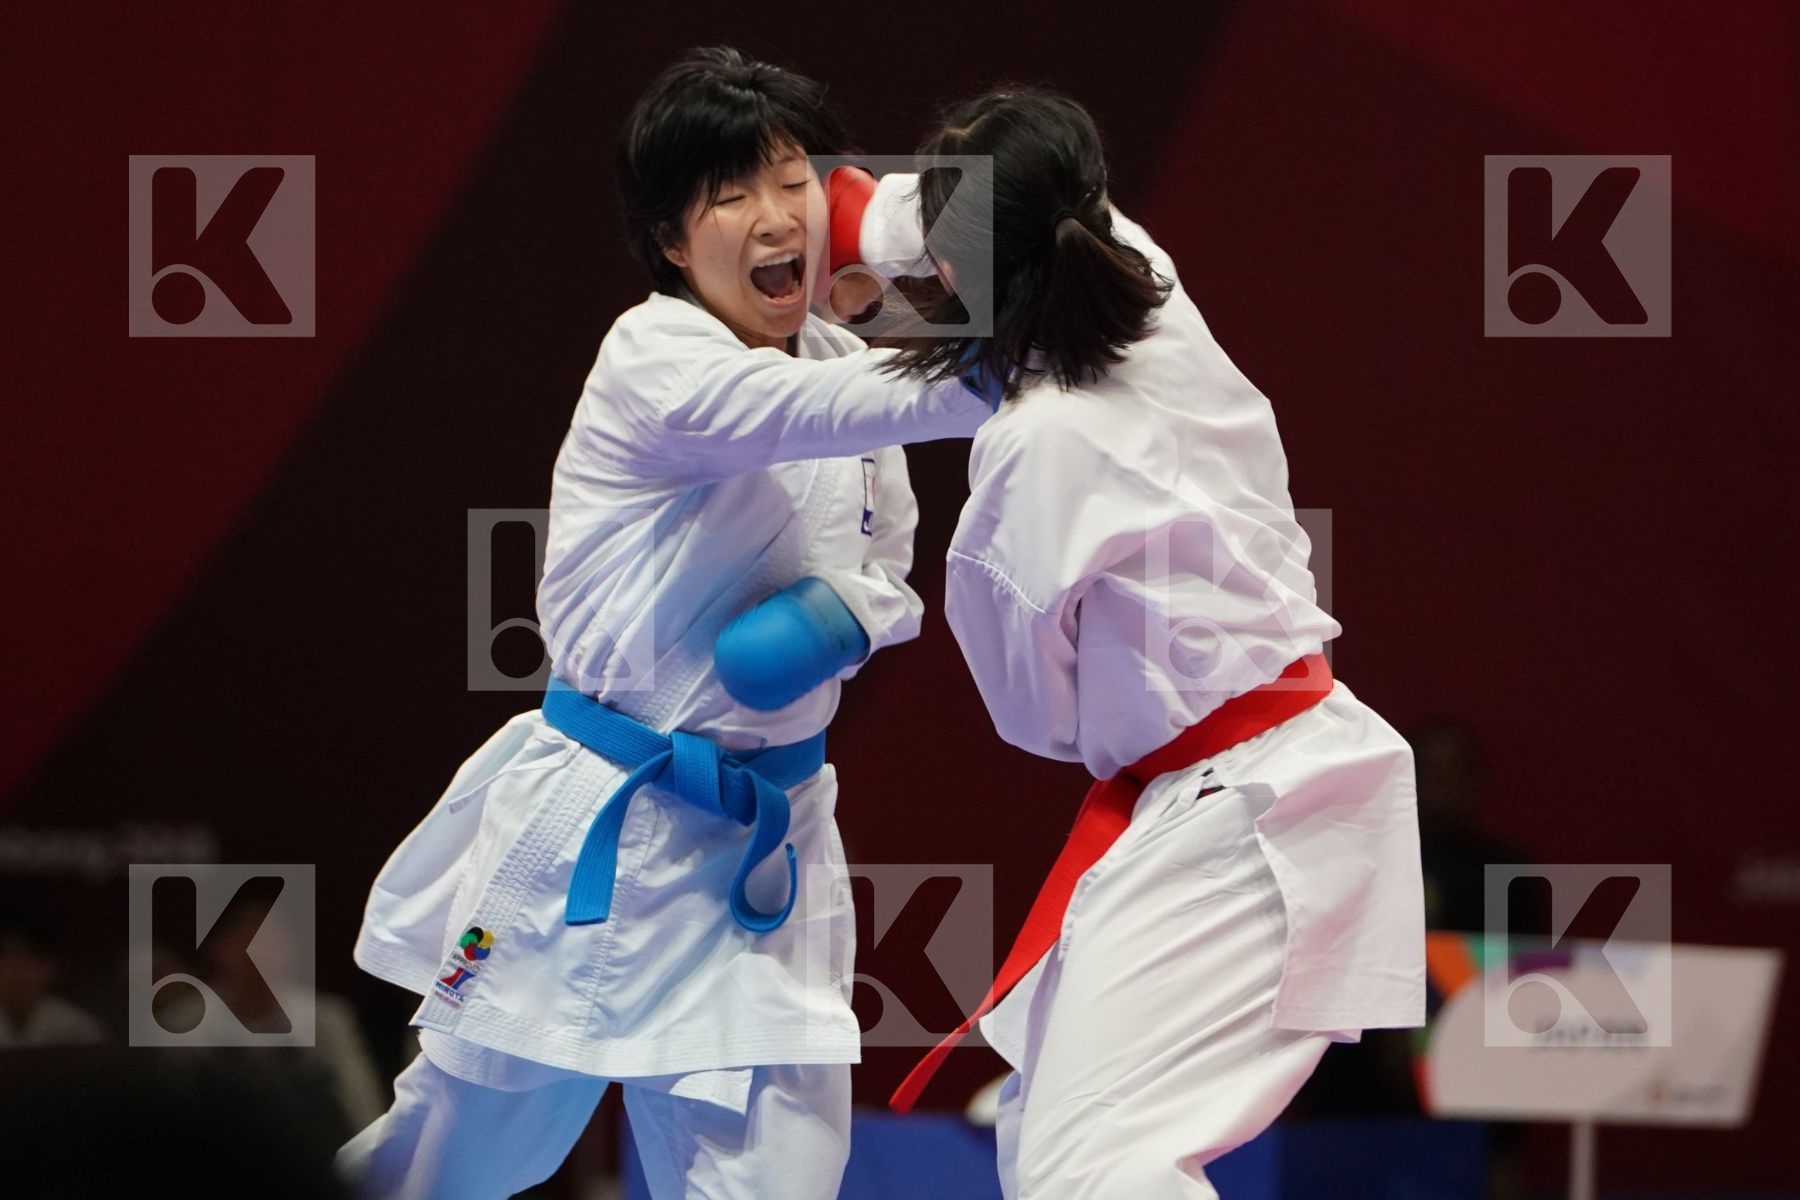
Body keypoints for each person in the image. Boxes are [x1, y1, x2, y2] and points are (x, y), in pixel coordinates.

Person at [337, 48, 989, 1200]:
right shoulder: (657, 359)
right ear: (675, 244)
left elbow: (889, 548)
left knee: (782, 1180)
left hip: (765, 852)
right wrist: (1012, 362)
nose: (774, 214)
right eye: (730, 194)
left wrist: (848, 614)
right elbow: (829, 410)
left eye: (791, 179)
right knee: (442, 1166)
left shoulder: (841, 354)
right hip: (597, 828)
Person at [840, 90, 1427, 1198]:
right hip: (1245, 777)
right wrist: (862, 218)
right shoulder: (1143, 278)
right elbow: (958, 216)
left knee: (1089, 1169)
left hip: (1249, 810)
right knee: (1040, 1139)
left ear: (960, 272)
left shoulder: (1031, 452)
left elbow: (1035, 717)